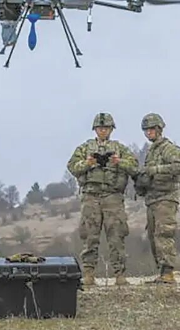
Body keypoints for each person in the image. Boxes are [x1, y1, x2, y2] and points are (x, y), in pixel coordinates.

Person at [67, 113, 139, 286]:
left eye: (106, 128)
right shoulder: (84, 148)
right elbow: (72, 166)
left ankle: (119, 274)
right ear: (95, 129)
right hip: (91, 196)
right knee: (89, 237)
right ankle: (89, 273)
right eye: (100, 128)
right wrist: (88, 163)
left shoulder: (120, 148)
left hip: (113, 196)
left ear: (111, 129)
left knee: (116, 236)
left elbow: (134, 167)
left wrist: (119, 162)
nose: (103, 131)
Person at [135, 113, 180, 284]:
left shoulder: (168, 149)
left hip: (166, 198)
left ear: (159, 129)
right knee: (153, 236)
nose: (148, 133)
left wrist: (156, 170)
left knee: (163, 233)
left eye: (151, 129)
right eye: (146, 130)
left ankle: (168, 273)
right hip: (152, 199)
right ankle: (162, 271)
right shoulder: (151, 152)